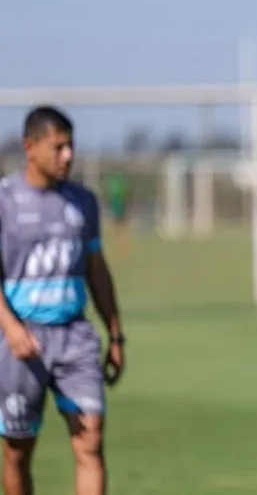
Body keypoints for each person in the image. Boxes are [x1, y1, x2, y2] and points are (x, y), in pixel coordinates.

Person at [0, 106, 126, 495]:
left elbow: (96, 269)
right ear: (30, 148)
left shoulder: (82, 202)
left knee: (91, 440)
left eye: (70, 146)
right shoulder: (4, 202)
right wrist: (11, 328)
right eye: (58, 147)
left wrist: (116, 336)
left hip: (74, 337)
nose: (68, 155)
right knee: (18, 452)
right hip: (21, 344)